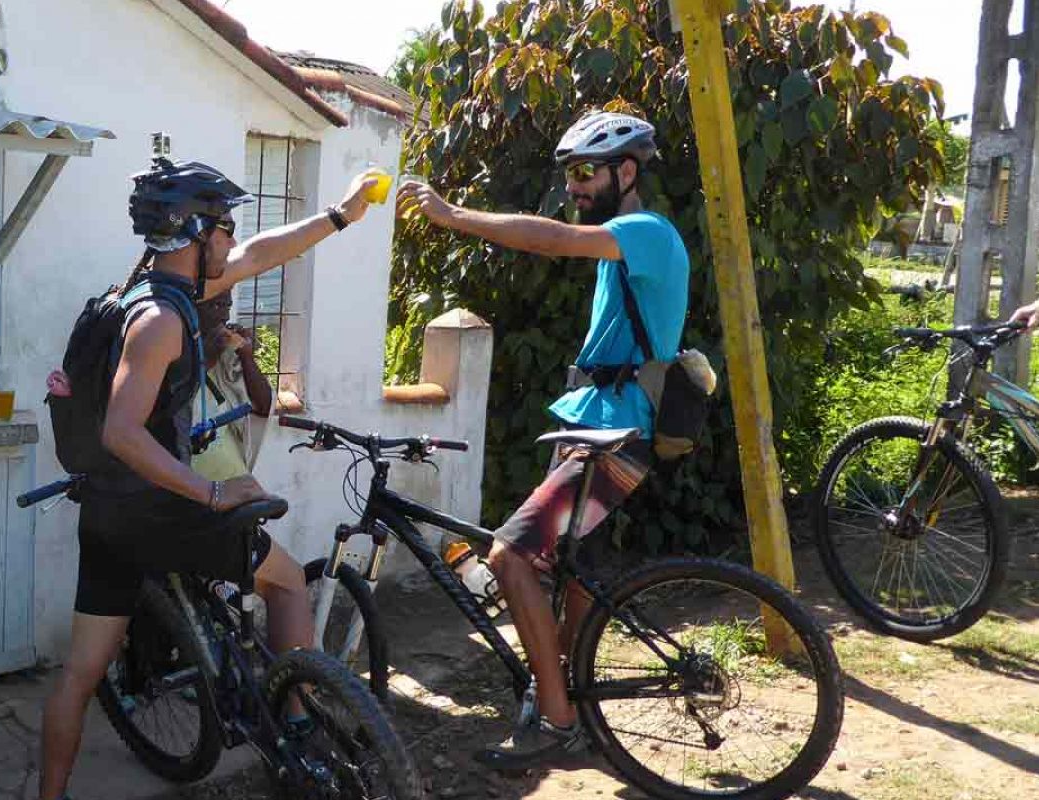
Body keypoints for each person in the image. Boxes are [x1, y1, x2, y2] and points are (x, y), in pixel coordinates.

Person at [38, 159, 379, 800]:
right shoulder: (164, 321)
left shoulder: (138, 294)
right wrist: (216, 492)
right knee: (285, 588)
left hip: (106, 514)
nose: (230, 241)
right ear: (194, 232)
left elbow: (262, 251)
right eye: (222, 228)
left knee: (80, 677)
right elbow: (122, 431)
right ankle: (297, 727)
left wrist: (340, 215)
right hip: (160, 511)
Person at [395, 111, 690, 769]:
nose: (576, 189)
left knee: (508, 557)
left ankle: (558, 722)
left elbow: (552, 240)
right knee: (575, 572)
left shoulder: (644, 231)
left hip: (612, 435)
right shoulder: (626, 244)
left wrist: (454, 215)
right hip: (594, 421)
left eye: (586, 173)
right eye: (571, 176)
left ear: (627, 171)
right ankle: (567, 697)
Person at [190, 289, 275, 481]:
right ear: (193, 307)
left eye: (227, 306)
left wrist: (246, 355)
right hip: (191, 478)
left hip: (230, 476)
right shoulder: (170, 347)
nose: (225, 316)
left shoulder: (226, 355)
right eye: (216, 305)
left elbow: (263, 405)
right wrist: (208, 357)